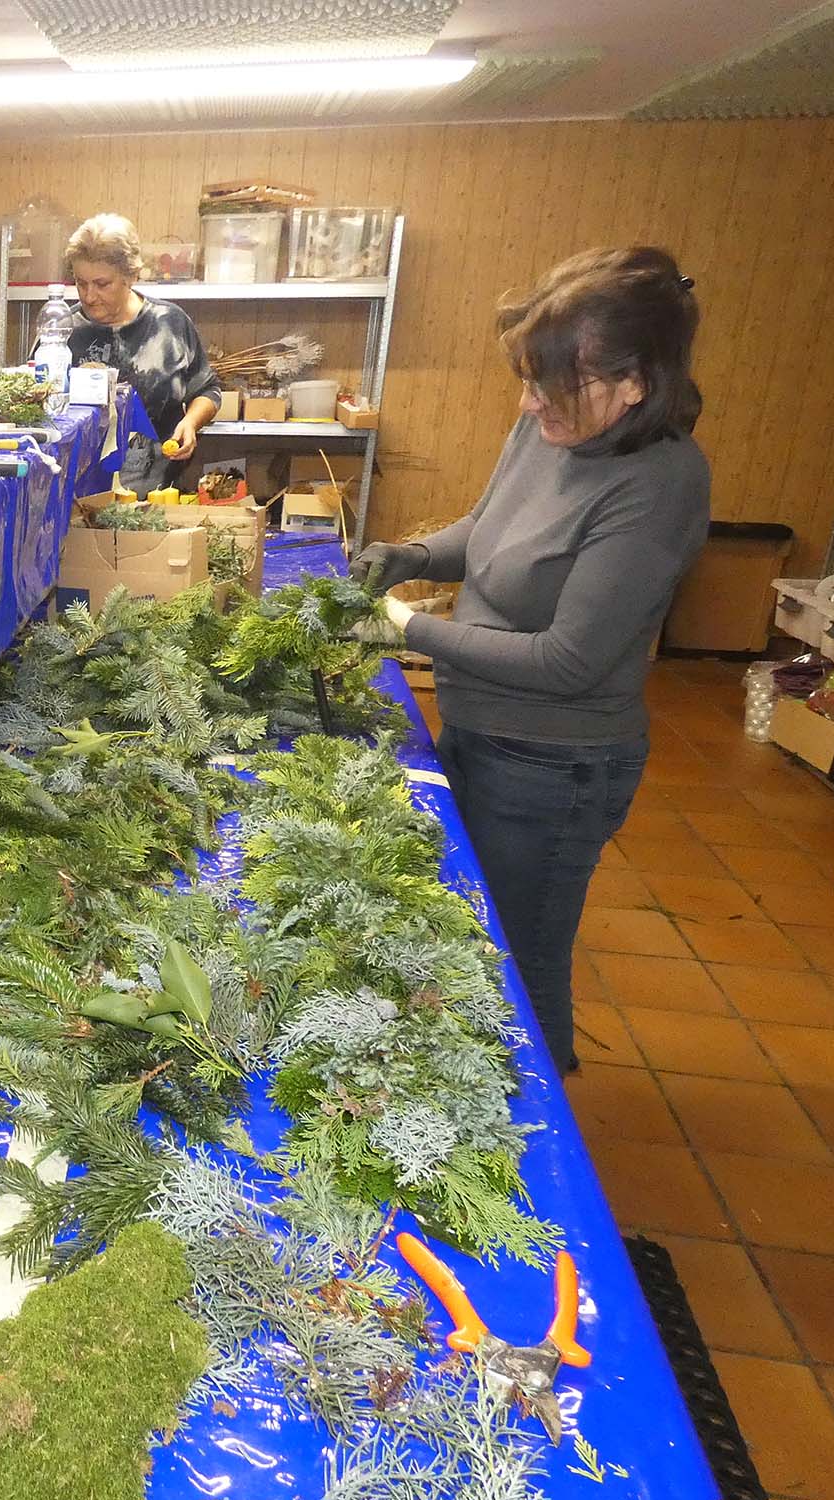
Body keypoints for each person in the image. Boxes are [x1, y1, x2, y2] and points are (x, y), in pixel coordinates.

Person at [350, 246, 709, 1072]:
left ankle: (540, 1158)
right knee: (464, 937)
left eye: (551, 386)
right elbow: (487, 533)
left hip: (555, 767)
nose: (527, 403)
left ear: (634, 383)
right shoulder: (546, 427)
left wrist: (405, 628)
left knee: (517, 964)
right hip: (480, 732)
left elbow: (567, 660)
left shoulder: (660, 481)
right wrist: (411, 554)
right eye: (528, 379)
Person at [63, 214, 220, 491]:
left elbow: (208, 390)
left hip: (158, 493)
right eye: (80, 282)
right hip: (77, 498)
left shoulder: (169, 324)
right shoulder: (63, 332)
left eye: (102, 284)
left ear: (131, 276)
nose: (88, 296)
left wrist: (190, 423)